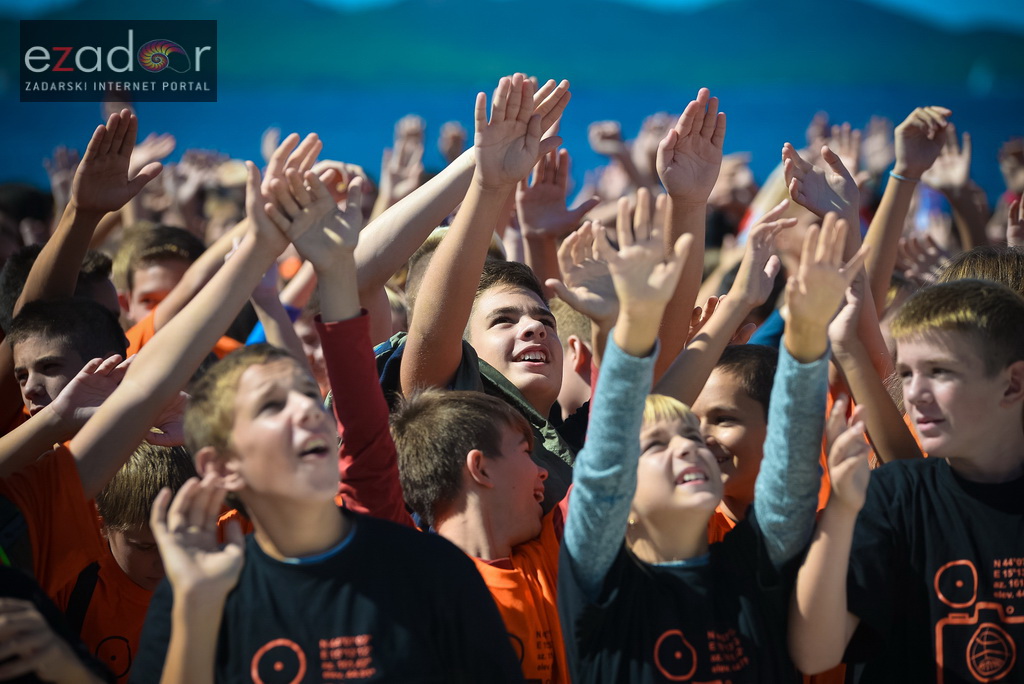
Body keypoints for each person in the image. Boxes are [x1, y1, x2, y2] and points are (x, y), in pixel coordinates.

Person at [129, 144, 521, 683]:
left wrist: (336, 273)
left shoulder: (430, 571)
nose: (307, 411)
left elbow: (358, 413)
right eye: (271, 406)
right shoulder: (201, 589)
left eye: (303, 395)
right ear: (222, 467)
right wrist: (197, 610)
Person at [558, 212, 866, 681]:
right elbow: (602, 471)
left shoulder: (752, 571)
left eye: (691, 437)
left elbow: (789, 484)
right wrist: (633, 329)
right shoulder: (603, 589)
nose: (690, 446)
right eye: (654, 446)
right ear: (622, 498)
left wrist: (806, 337)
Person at [789, 277, 1024, 683]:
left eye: (940, 371)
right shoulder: (894, 495)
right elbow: (814, 653)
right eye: (906, 373)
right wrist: (842, 513)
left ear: (1013, 383)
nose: (914, 393)